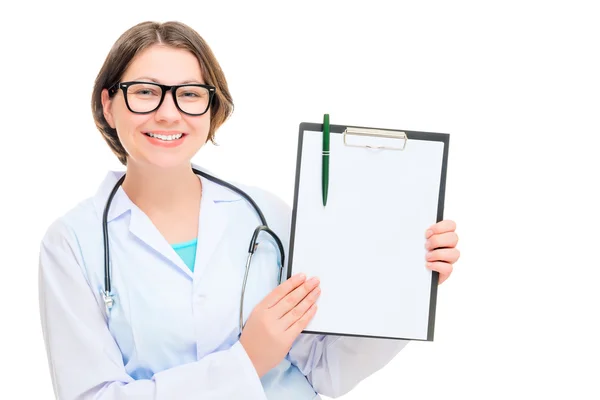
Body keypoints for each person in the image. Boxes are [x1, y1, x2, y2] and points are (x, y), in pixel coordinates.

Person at [38, 20, 460, 400]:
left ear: (211, 109)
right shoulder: (72, 243)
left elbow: (324, 371)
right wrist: (247, 360)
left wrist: (406, 289)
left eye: (189, 94)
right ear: (109, 104)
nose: (168, 113)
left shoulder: (267, 216)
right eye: (146, 92)